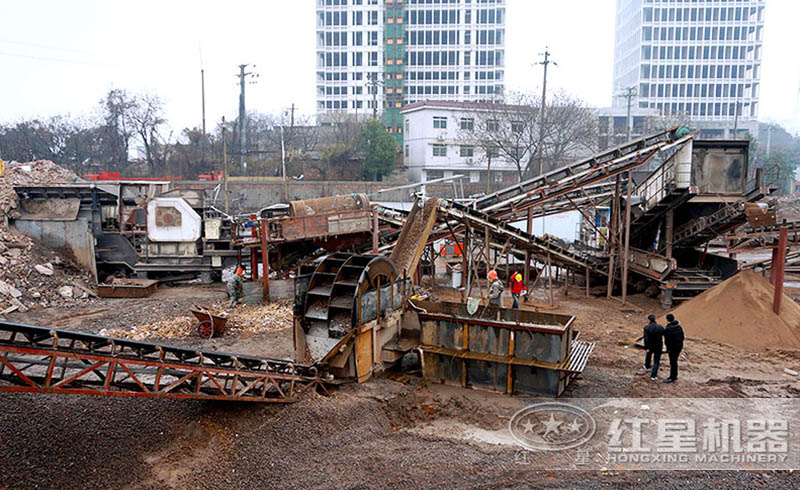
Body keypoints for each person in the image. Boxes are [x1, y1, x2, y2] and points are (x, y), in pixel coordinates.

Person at [663, 313, 685, 384]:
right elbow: (682, 337)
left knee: (673, 362)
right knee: (674, 361)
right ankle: (674, 375)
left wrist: (668, 349)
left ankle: (672, 377)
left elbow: (667, 341)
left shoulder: (668, 329)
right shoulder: (679, 327)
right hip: (679, 347)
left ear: (667, 320)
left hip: (672, 348)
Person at [643, 314, 664, 381]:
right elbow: (664, 334)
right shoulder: (660, 327)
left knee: (648, 355)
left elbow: (646, 339)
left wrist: (646, 346)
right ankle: (653, 375)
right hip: (658, 345)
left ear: (649, 320)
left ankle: (647, 366)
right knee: (656, 361)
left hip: (650, 345)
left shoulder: (646, 328)